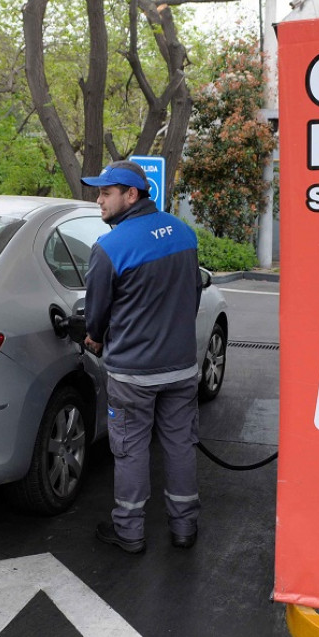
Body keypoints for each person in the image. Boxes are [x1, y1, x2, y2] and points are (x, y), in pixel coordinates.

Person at [81, 160, 204, 554]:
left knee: (130, 450)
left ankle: (130, 532)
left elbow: (96, 314)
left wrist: (95, 338)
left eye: (106, 192)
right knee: (180, 445)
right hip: (182, 367)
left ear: (130, 195)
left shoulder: (110, 247)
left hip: (133, 374)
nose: (99, 199)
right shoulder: (184, 233)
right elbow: (193, 297)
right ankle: (185, 527)